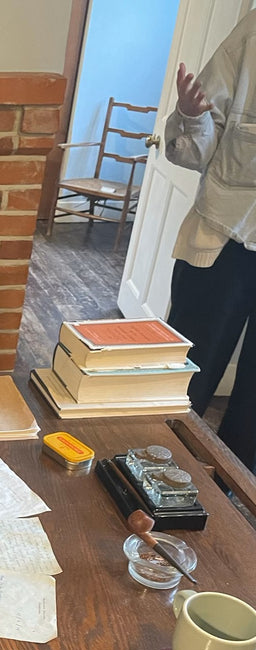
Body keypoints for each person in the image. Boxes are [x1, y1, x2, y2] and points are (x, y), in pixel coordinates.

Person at [164, 10, 256, 474]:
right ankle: (155, 472)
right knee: (183, 378)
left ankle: (236, 511)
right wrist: (190, 115)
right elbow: (196, 148)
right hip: (224, 234)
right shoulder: (253, 31)